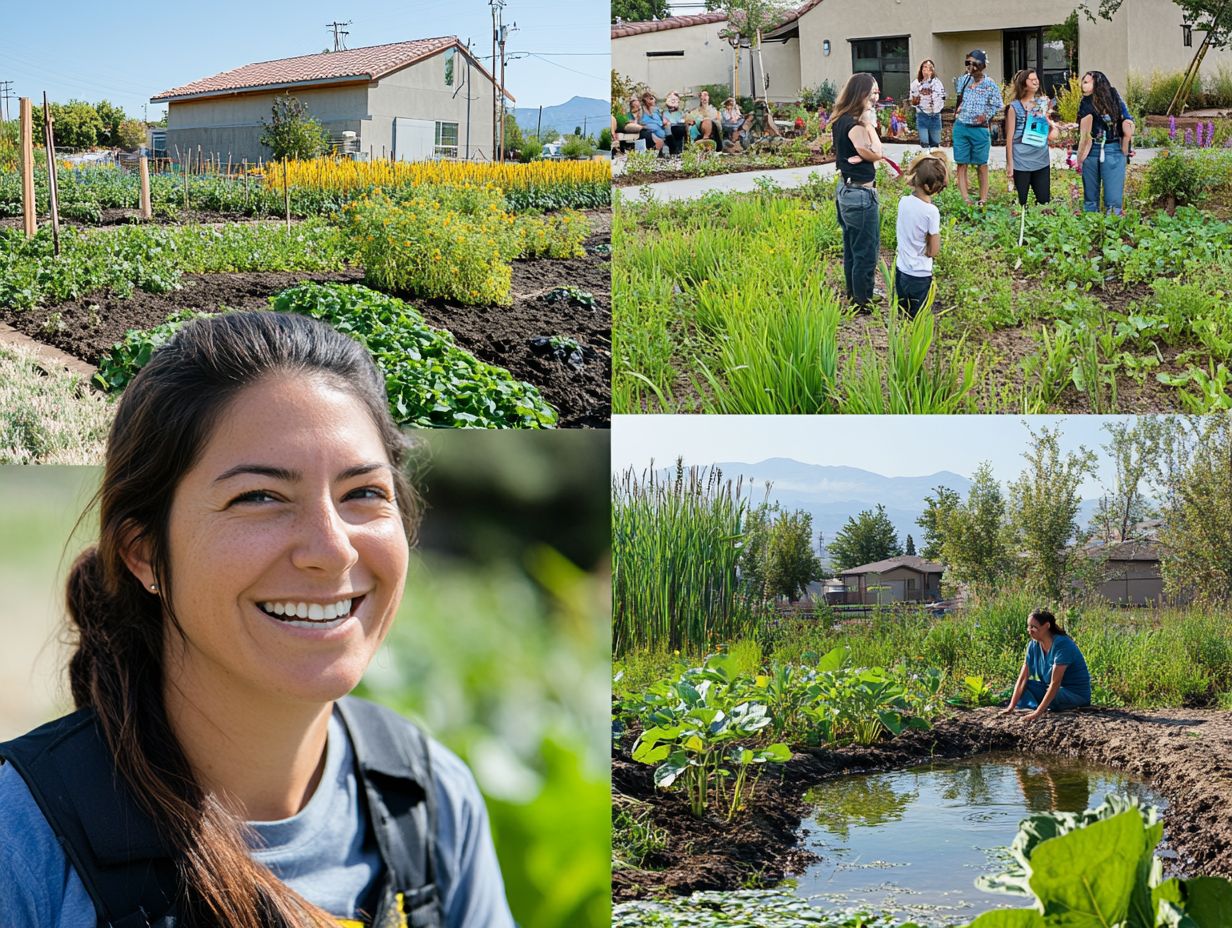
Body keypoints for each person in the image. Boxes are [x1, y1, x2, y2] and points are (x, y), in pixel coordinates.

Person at [0, 312, 515, 928]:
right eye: (259, 497)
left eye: (363, 493)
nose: (333, 550)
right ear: (143, 553)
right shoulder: (21, 838)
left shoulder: (429, 801)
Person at [831, 72, 885, 309]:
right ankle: (863, 300)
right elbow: (876, 152)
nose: (875, 97)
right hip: (860, 194)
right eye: (872, 92)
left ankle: (855, 294)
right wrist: (868, 125)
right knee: (865, 250)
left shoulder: (841, 119)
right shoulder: (854, 124)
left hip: (846, 188)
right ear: (861, 93)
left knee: (852, 246)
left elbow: (869, 153)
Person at [1003, 609, 1092, 721]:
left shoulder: (1062, 644)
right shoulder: (1033, 645)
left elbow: (1055, 683)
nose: (1029, 631)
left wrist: (1037, 714)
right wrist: (1011, 707)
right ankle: (1038, 706)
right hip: (1052, 690)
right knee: (1026, 685)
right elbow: (1022, 679)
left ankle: (1039, 707)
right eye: (1028, 627)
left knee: (1052, 692)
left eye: (1033, 627)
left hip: (1073, 695)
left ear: (1046, 626)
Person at [895, 152, 948, 316]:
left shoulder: (903, 201)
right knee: (918, 318)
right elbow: (933, 251)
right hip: (920, 275)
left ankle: (900, 341)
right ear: (930, 187)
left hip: (901, 270)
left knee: (903, 315)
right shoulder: (931, 212)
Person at [1076, 70, 1135, 215]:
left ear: (1097, 83)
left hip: (1112, 148)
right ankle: (1090, 228)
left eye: (1086, 82)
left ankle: (1112, 229)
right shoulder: (1085, 102)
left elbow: (1127, 119)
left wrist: (1127, 140)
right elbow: (1083, 131)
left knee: (1113, 200)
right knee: (1090, 197)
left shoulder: (1113, 97)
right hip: (1091, 150)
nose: (1082, 85)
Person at [953, 49, 1003, 206]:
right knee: (961, 163)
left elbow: (998, 104)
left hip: (979, 128)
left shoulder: (990, 84)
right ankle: (965, 198)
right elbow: (959, 97)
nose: (970, 66)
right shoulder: (964, 80)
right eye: (967, 63)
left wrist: (986, 115)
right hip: (961, 126)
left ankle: (983, 198)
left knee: (981, 164)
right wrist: (958, 110)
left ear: (982, 65)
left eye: (974, 63)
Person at [1005, 68, 1060, 206]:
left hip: (1041, 158)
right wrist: (1010, 164)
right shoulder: (1014, 107)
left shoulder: (1042, 104)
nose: (1036, 81)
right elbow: (1009, 138)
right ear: (1024, 83)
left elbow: (1048, 131)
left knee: (1044, 201)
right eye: (1032, 79)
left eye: (1037, 79)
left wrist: (1052, 125)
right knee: (1022, 202)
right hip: (1021, 160)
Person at [910, 59, 946, 148]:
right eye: (924, 67)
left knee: (935, 143)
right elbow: (913, 101)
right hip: (922, 115)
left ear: (933, 70)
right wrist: (916, 97)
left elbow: (941, 98)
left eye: (929, 68)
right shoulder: (916, 83)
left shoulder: (937, 83)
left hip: (935, 116)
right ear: (921, 70)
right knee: (924, 144)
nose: (926, 70)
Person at [638, 91, 670, 155]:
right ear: (645, 100)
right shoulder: (641, 110)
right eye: (651, 98)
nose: (654, 100)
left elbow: (664, 121)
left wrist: (665, 121)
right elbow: (639, 122)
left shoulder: (657, 110)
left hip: (662, 134)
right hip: (650, 134)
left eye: (654, 98)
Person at [661, 91, 688, 155]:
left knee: (678, 130)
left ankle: (676, 151)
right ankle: (675, 151)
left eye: (675, 99)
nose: (673, 101)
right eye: (671, 99)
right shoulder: (663, 113)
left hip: (678, 131)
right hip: (667, 133)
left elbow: (684, 123)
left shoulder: (681, 113)